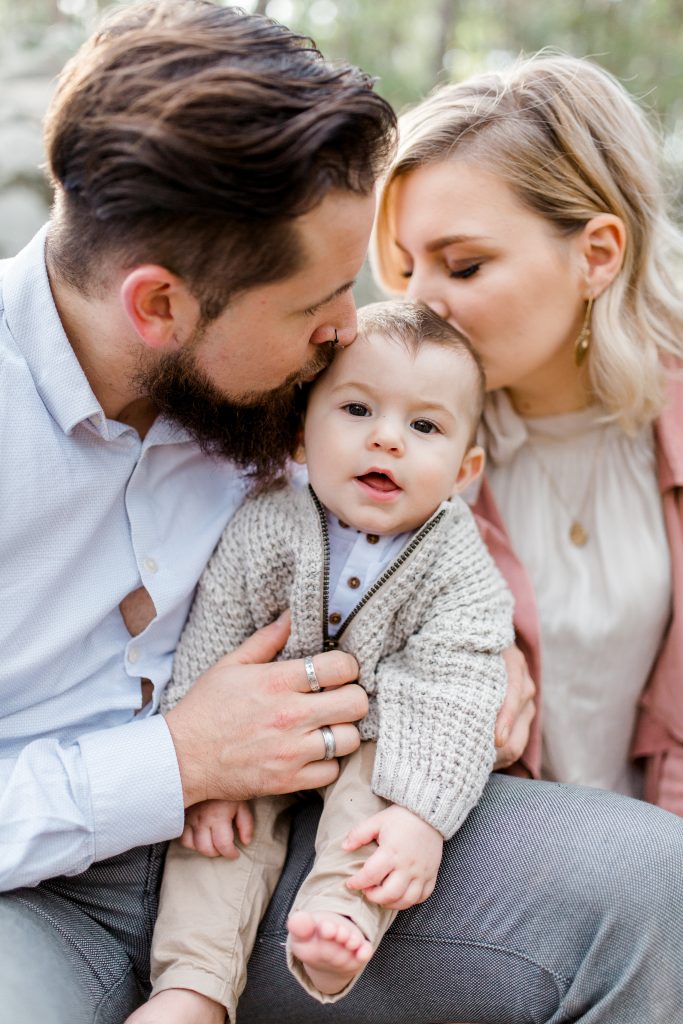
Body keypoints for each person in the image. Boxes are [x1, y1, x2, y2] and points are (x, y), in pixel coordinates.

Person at [1, 0, 682, 1016]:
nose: (348, 331)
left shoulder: (296, 394)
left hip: (307, 849)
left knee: (644, 881)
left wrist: (477, 639)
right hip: (35, 893)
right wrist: (175, 761)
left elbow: (414, 550)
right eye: (319, 300)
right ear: (159, 306)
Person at [127, 300, 514, 1024]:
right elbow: (216, 640)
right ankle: (192, 986)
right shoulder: (266, 524)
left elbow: (456, 691)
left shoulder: (459, 569)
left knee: (377, 822)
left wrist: (422, 815)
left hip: (379, 734)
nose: (388, 440)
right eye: (358, 410)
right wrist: (209, 777)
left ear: (464, 469)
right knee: (216, 843)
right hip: (258, 728)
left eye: (423, 426)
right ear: (300, 435)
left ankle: (337, 926)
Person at [371, 51, 683, 806]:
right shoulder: (387, 446)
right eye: (408, 269)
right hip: (484, 888)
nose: (421, 304)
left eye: (464, 266)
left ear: (597, 256)